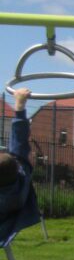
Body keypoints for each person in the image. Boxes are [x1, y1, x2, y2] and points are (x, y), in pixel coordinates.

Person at [0, 88, 42, 248]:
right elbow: (19, 140)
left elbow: (19, 138)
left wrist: (19, 103)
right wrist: (20, 104)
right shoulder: (22, 177)